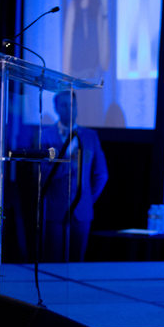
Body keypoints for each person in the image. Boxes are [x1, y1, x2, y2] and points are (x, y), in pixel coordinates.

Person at [39, 91, 108, 262]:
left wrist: (87, 198)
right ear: (56, 108)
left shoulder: (90, 136)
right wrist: (71, 165)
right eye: (64, 105)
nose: (69, 109)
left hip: (82, 212)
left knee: (77, 263)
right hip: (55, 210)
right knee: (53, 262)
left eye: (72, 105)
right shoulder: (45, 136)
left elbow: (101, 174)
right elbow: (42, 173)